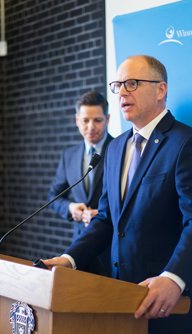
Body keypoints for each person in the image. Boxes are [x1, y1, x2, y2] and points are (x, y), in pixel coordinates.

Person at [43, 55, 192, 334]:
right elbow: (106, 220)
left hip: (167, 306)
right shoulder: (115, 148)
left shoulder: (187, 144)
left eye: (132, 83)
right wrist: (69, 259)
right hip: (120, 299)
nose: (122, 92)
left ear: (161, 90)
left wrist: (173, 279)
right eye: (118, 85)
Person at [47, 91, 112, 276]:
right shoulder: (69, 155)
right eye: (85, 120)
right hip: (78, 246)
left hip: (112, 246)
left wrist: (103, 214)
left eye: (97, 120)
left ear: (107, 119)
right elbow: (54, 196)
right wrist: (70, 208)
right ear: (77, 120)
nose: (91, 126)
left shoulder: (120, 150)